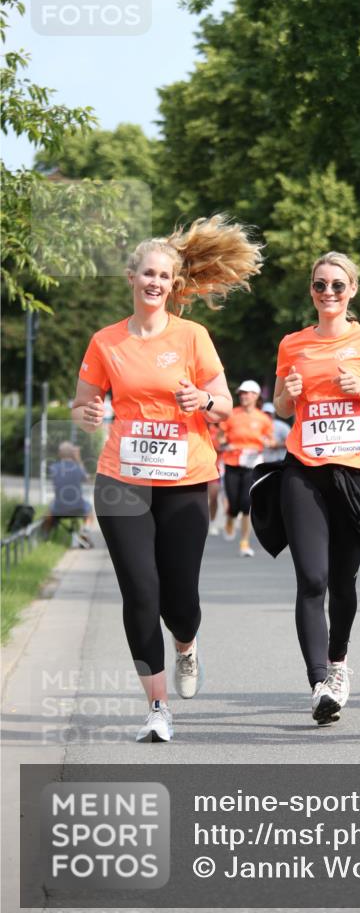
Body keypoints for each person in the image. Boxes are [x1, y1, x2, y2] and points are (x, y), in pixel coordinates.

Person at [72, 215, 262, 742]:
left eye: (164, 276)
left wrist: (203, 400)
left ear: (172, 284)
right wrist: (85, 413)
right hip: (121, 478)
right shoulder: (105, 342)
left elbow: (222, 404)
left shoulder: (193, 337)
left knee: (179, 600)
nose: (154, 282)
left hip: (184, 478)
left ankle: (186, 643)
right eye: (147, 273)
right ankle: (157, 708)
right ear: (132, 278)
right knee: (140, 590)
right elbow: (86, 402)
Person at [273, 251, 360, 725]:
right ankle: (320, 682)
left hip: (355, 475)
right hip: (304, 469)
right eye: (320, 285)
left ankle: (338, 662)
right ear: (311, 290)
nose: (328, 293)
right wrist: (290, 394)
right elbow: (281, 406)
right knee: (312, 580)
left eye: (337, 286)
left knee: (343, 582)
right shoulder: (292, 343)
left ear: (353, 291)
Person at [220, 380, 274, 557]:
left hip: (252, 465)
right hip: (232, 463)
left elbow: (271, 440)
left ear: (256, 396)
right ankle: (229, 518)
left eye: (248, 393)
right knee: (233, 504)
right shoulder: (231, 415)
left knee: (246, 504)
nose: (244, 396)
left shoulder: (263, 418)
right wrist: (224, 443)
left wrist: (268, 442)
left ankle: (244, 543)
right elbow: (220, 438)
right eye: (241, 393)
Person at [43, 441, 95, 548]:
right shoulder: (78, 467)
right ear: (72, 454)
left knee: (48, 510)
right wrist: (78, 459)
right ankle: (85, 529)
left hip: (59, 508)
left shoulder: (53, 468)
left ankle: (45, 536)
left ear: (59, 453)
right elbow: (88, 479)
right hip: (78, 507)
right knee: (89, 509)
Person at [207, 421, 227, 535]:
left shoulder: (219, 430)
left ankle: (212, 521)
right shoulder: (200, 426)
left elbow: (222, 446)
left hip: (215, 467)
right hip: (198, 466)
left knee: (213, 496)